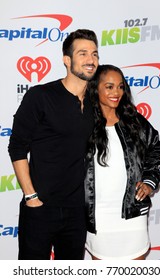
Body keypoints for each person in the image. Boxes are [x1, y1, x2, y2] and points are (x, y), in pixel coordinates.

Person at [8, 29, 99, 260]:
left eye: (95, 54)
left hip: (77, 211)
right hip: (40, 207)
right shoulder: (40, 96)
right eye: (83, 53)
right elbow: (17, 147)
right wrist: (31, 198)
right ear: (66, 60)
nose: (91, 60)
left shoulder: (96, 103)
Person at [84, 64, 160, 260]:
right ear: (96, 88)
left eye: (120, 86)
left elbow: (154, 149)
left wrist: (149, 181)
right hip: (97, 216)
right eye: (109, 86)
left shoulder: (134, 122)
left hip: (133, 215)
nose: (116, 92)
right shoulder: (83, 123)